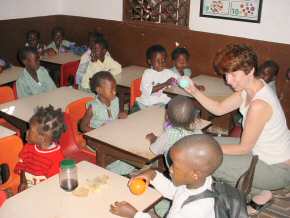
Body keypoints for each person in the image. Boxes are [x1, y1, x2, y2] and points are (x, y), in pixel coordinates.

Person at [184, 44, 290, 215]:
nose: (228, 80)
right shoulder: (251, 87)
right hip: (260, 152)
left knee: (205, 158)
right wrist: (194, 91)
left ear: (250, 71)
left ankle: (258, 190)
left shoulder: (259, 104)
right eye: (226, 74)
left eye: (233, 74)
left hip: (276, 168)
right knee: (203, 143)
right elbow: (218, 108)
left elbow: (243, 148)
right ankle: (261, 192)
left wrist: (207, 150)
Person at [110, 134, 223, 218]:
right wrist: (152, 175)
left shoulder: (195, 210)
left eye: (175, 166)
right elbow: (175, 191)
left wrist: (134, 214)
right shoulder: (199, 181)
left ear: (195, 174)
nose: (170, 168)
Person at [15, 105, 66, 188]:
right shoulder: (28, 147)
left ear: (42, 137)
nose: (26, 132)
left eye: (30, 129)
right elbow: (23, 165)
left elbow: (52, 187)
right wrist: (23, 182)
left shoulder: (56, 159)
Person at [147, 96, 201, 166]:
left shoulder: (169, 134)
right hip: (192, 167)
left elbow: (154, 150)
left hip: (175, 171)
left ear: (167, 116)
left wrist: (152, 138)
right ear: (194, 117)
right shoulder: (197, 131)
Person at [136, 45, 178, 109]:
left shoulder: (168, 72)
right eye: (157, 61)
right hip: (147, 104)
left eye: (163, 60)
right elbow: (148, 91)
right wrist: (166, 83)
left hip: (162, 102)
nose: (161, 63)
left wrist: (192, 85)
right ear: (150, 61)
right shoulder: (147, 73)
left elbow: (180, 79)